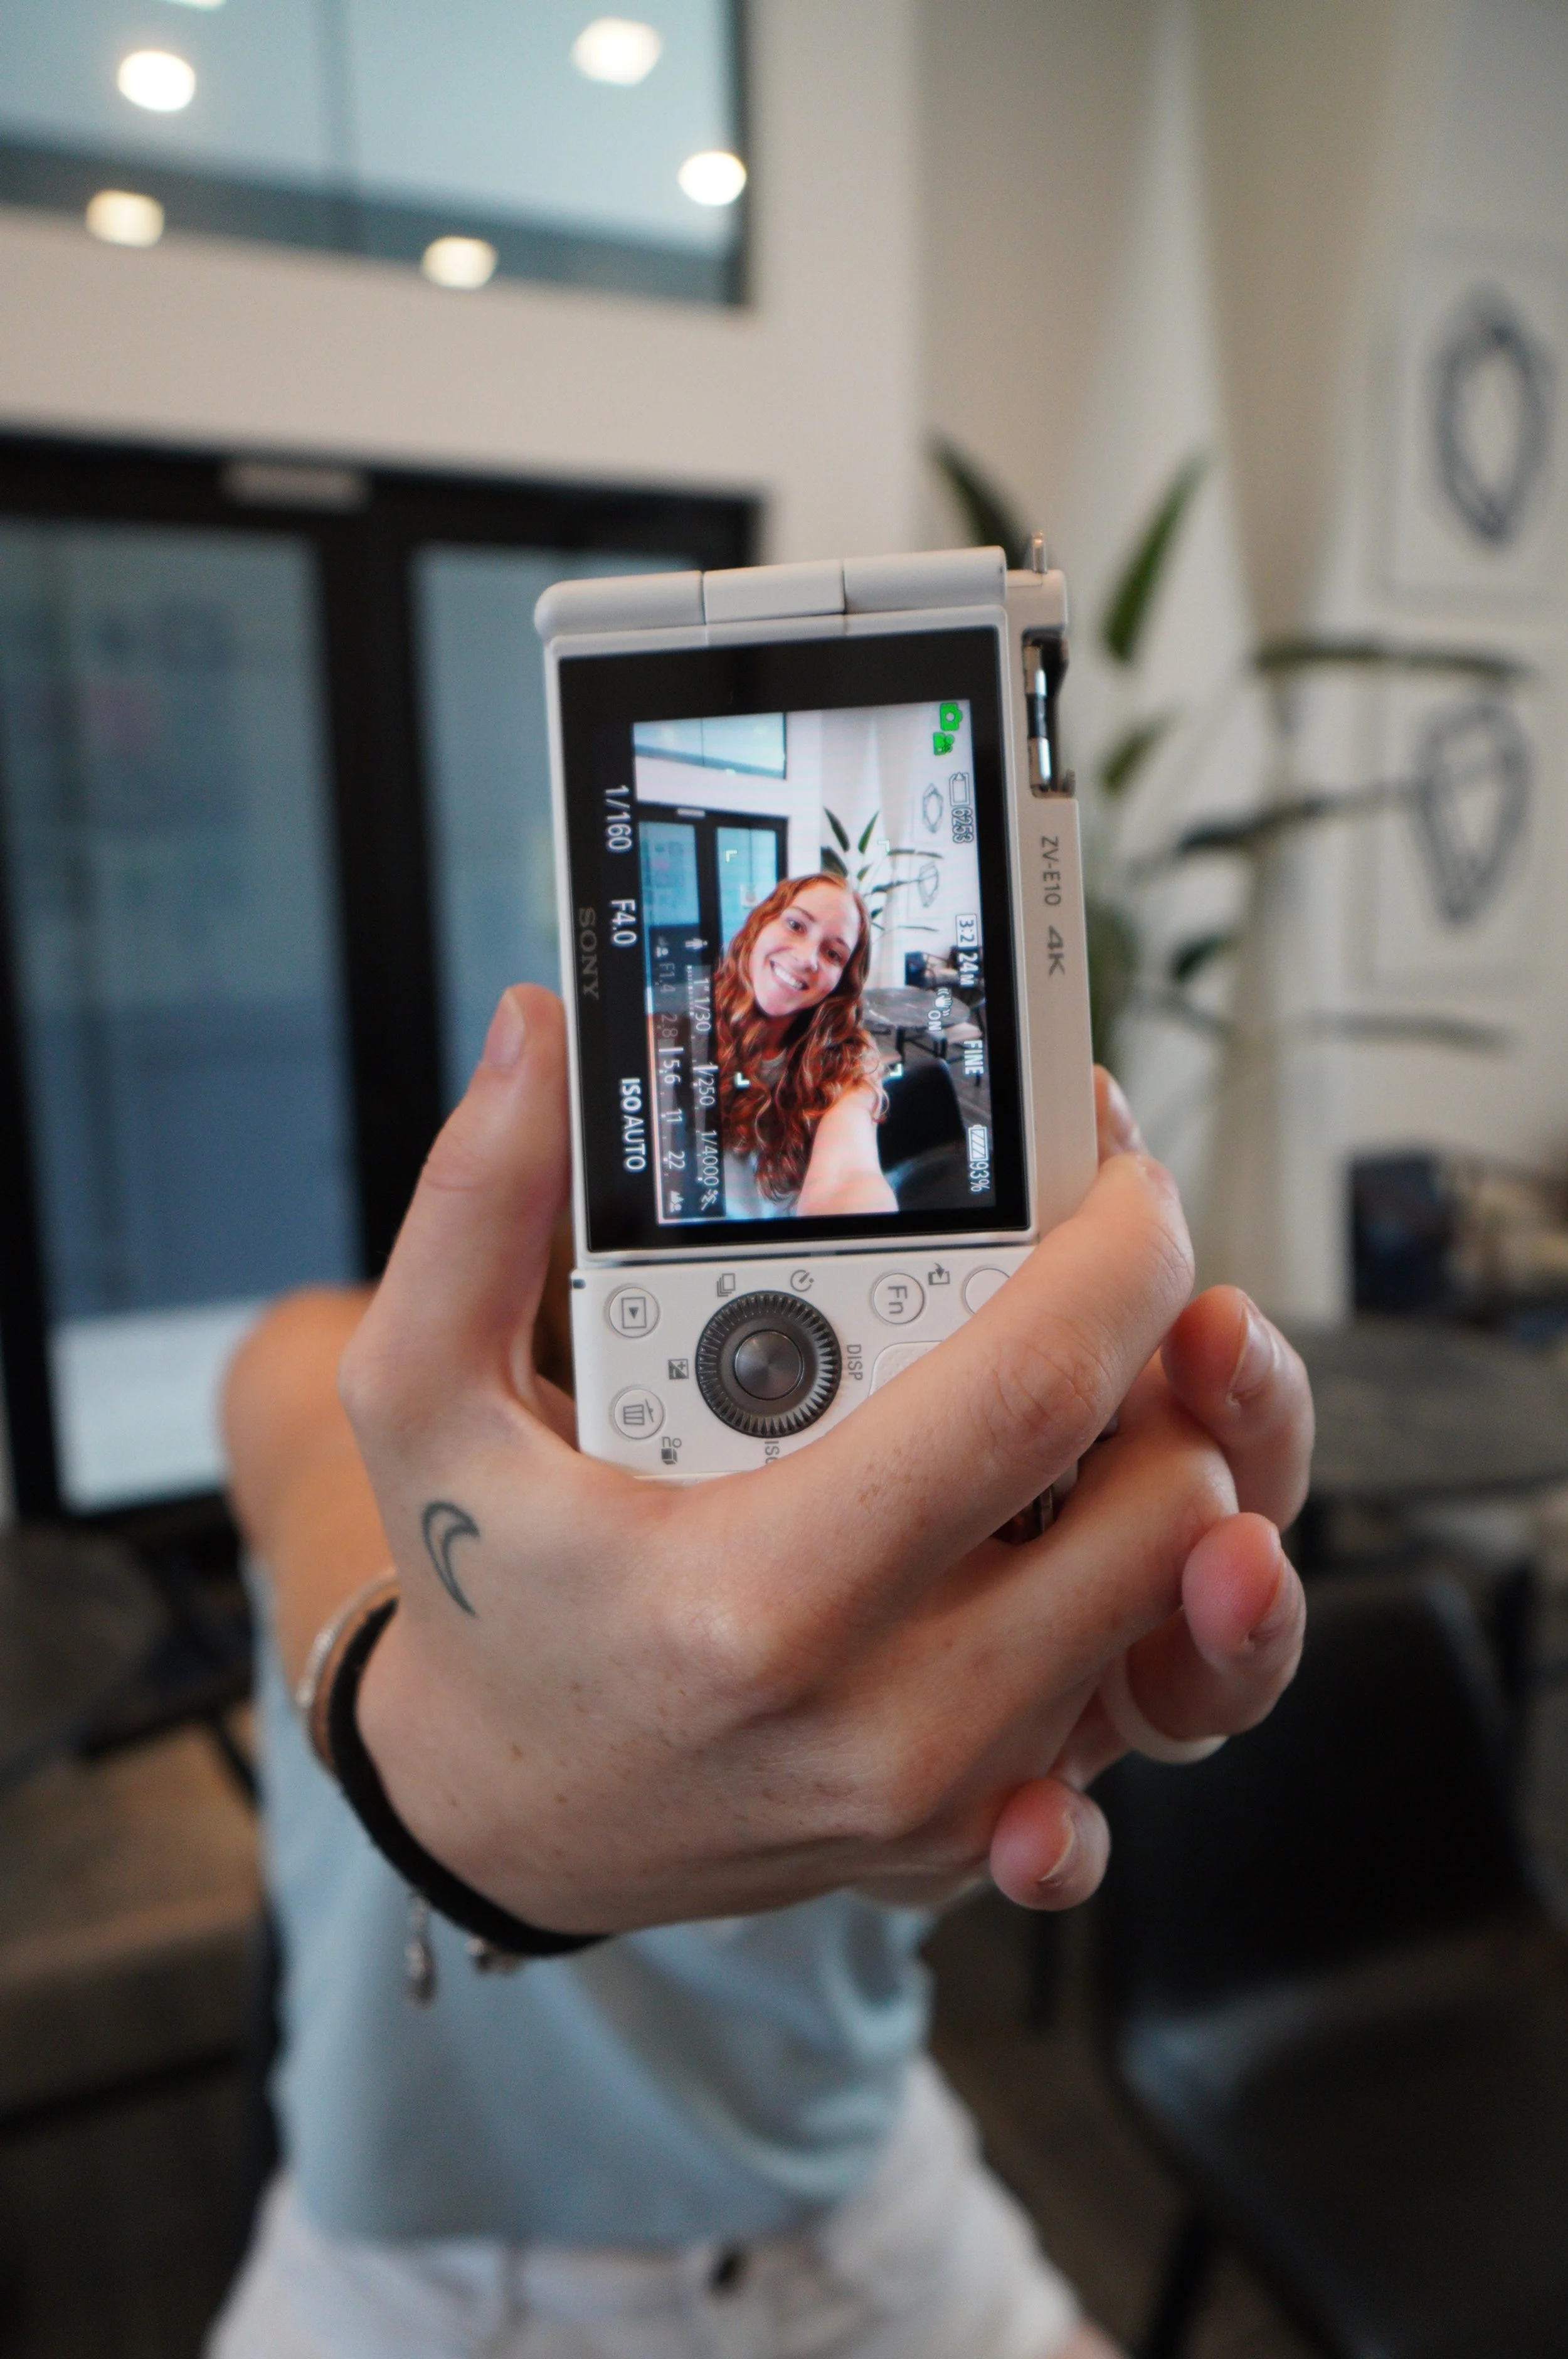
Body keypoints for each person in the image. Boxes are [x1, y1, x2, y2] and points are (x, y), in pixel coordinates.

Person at [211, 982, 1312, 2359]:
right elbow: (330, 1497)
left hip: (850, 2211)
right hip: (427, 2279)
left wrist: (1057, 1723)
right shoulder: (319, 1357)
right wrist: (415, 1736)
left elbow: (911, 1872)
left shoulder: (903, 1459)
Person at [714, 871, 897, 1218]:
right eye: (796, 926)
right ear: (761, 923)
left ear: (842, 981)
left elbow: (850, 1177)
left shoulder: (848, 1057)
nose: (807, 958)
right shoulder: (678, 1027)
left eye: (832, 954)